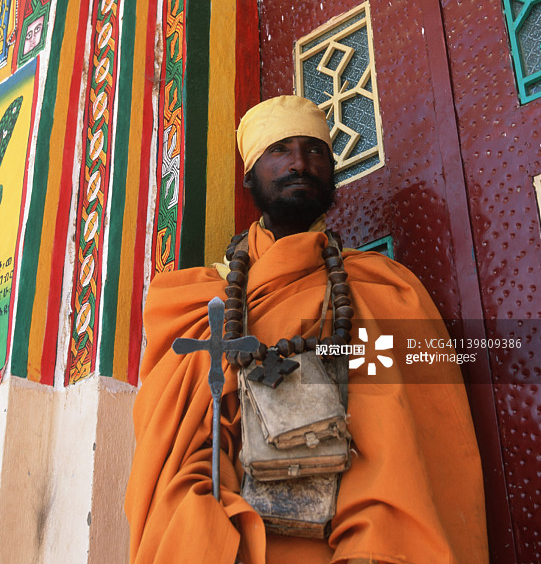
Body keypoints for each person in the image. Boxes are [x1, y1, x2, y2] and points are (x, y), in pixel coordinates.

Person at [125, 95, 489, 564]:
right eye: (280, 149)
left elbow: (402, 441)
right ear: (249, 176)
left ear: (331, 170)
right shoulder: (200, 303)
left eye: (314, 150)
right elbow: (180, 450)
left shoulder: (381, 288)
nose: (299, 163)